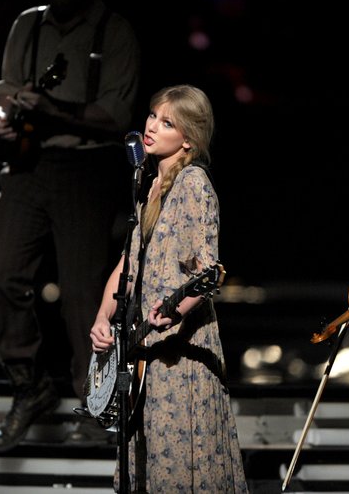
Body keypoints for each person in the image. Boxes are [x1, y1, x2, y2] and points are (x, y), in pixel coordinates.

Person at [0, 0, 141, 449]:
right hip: (29, 165)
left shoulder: (114, 32)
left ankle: (95, 406)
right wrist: (1, 119)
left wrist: (52, 111)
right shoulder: (28, 23)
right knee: (1, 268)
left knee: (81, 295)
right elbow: (6, 91)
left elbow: (116, 116)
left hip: (85, 168)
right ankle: (30, 386)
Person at [89, 85, 249, 492]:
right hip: (146, 350)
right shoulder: (149, 189)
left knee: (178, 464)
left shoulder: (193, 183)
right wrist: (102, 318)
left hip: (182, 353)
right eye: (152, 116)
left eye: (167, 122)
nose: (151, 126)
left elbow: (208, 269)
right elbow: (128, 263)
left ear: (189, 138)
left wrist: (178, 309)